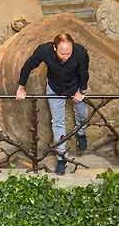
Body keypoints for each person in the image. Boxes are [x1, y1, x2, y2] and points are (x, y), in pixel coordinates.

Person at [14, 31, 91, 174]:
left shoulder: (80, 52)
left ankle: (80, 133)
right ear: (54, 48)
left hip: (75, 86)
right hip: (54, 88)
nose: (67, 57)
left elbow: (84, 73)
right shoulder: (44, 51)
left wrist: (82, 91)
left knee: (83, 113)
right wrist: (21, 87)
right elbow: (28, 66)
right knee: (58, 122)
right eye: (63, 54)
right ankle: (62, 158)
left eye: (69, 53)